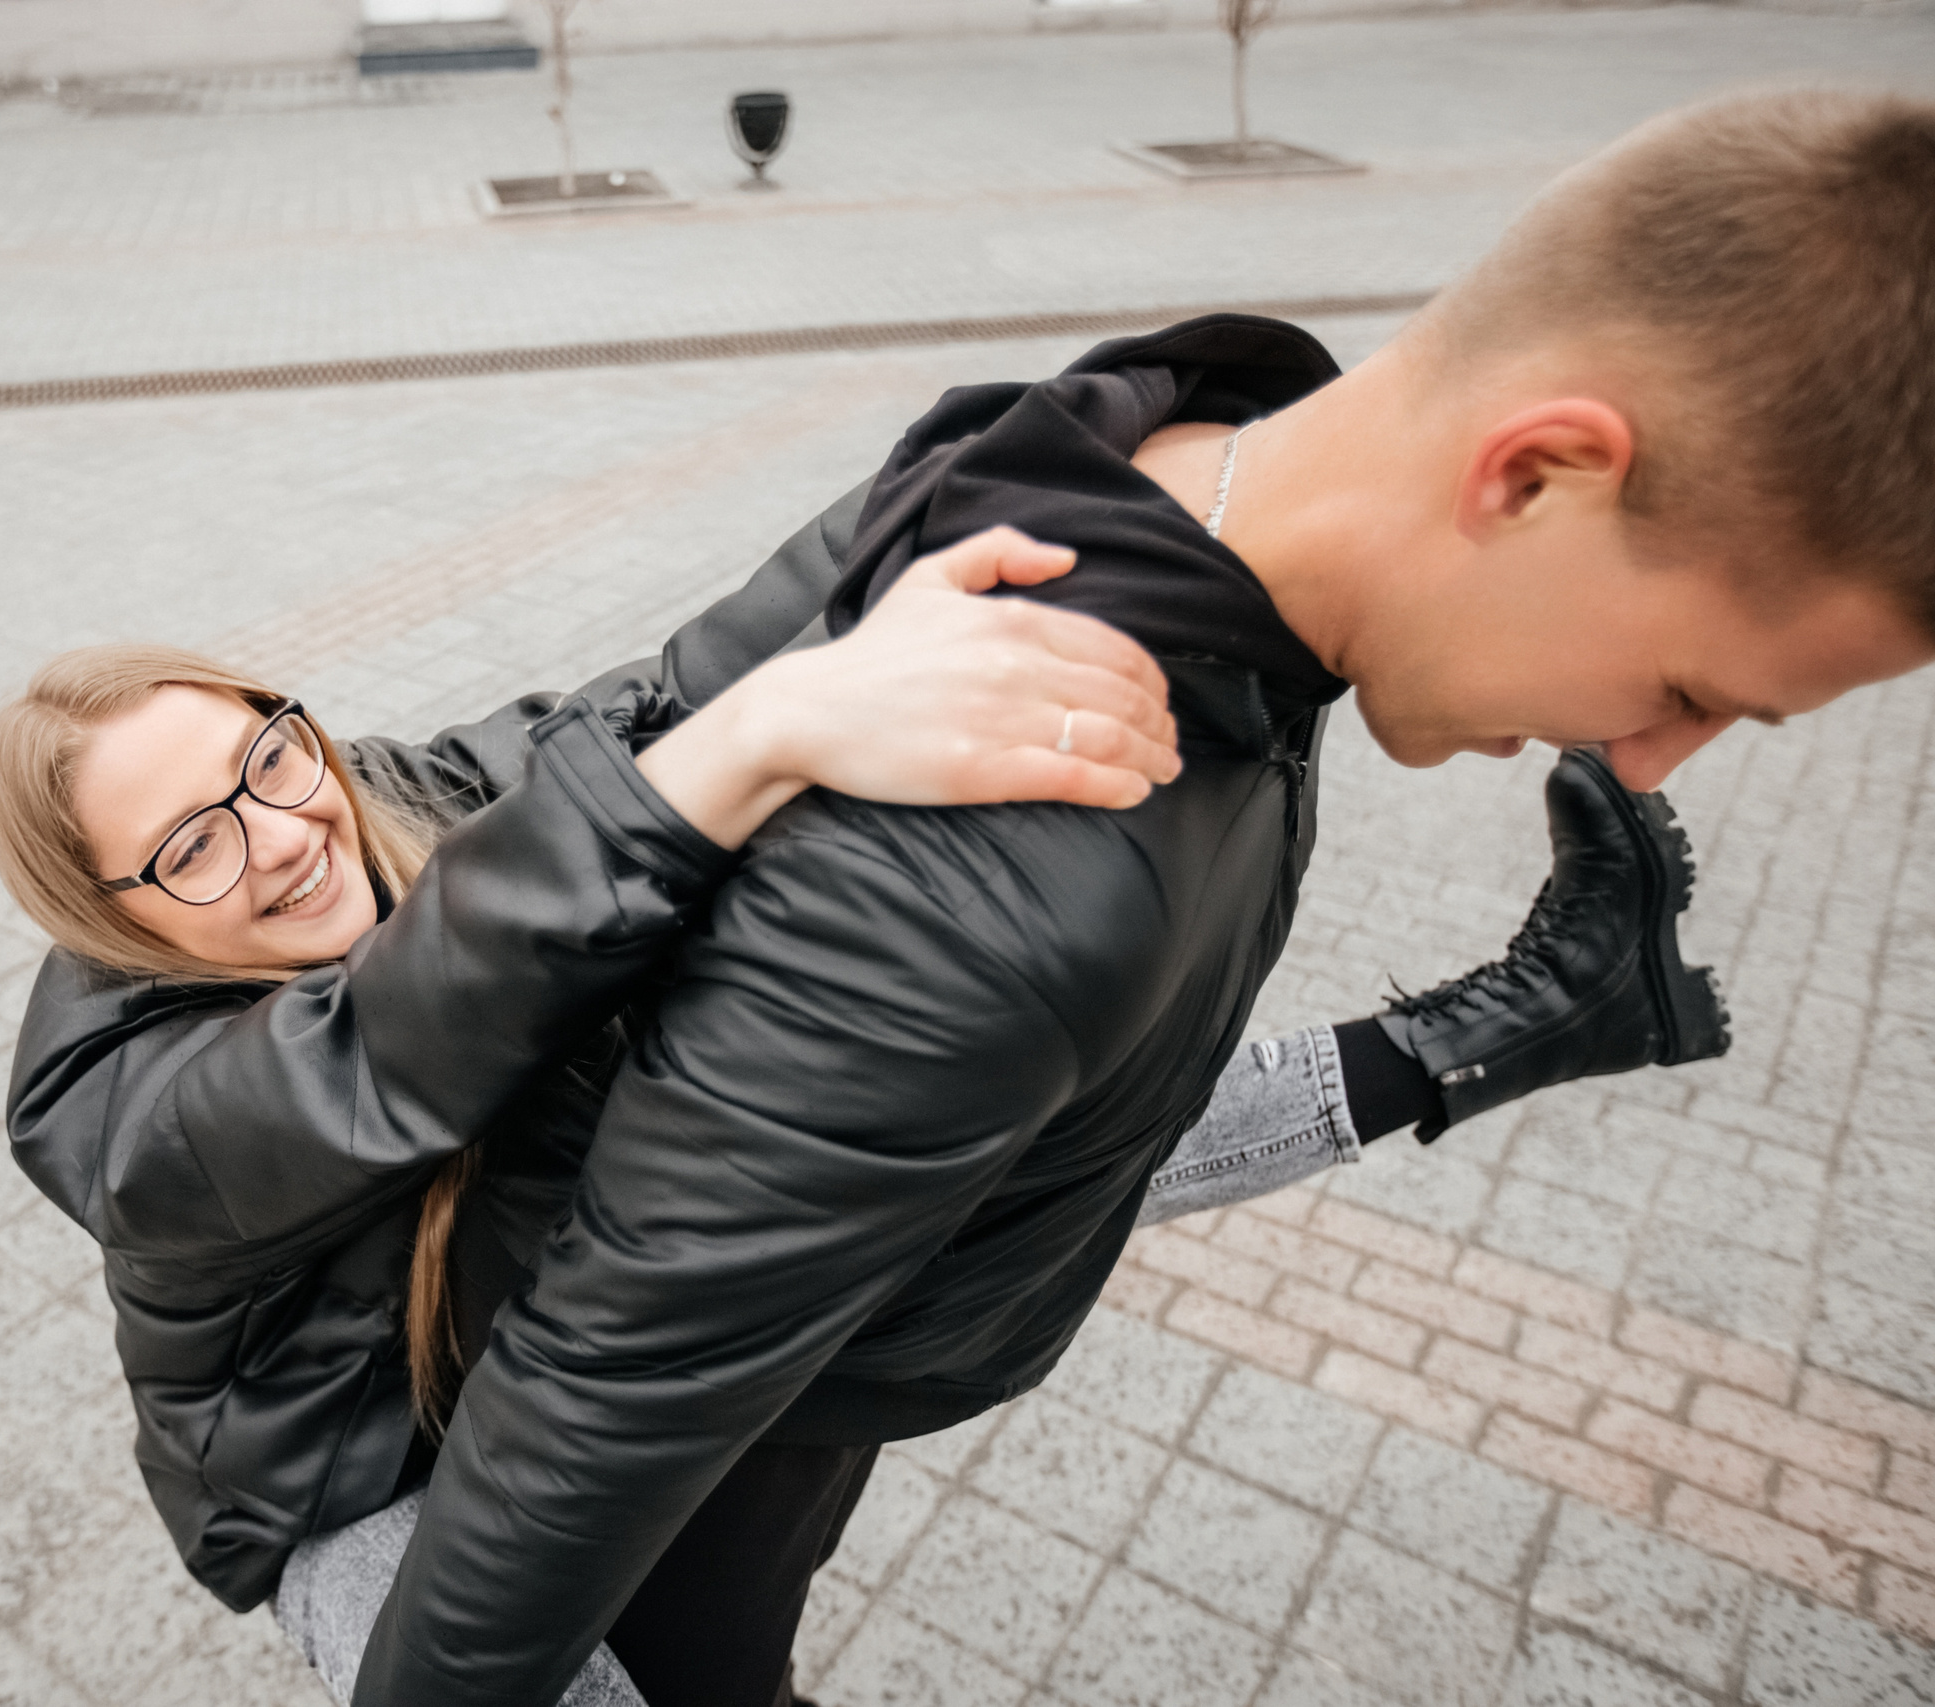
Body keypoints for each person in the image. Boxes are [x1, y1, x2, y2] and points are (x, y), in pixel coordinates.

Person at [347, 88, 1934, 1707]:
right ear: (1533, 476)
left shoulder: (1158, 467)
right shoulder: (1001, 878)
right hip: (747, 1407)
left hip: (838, 1312)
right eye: (1688, 682)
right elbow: (592, 1415)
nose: (1653, 758)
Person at [0, 539, 1725, 1702]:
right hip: (379, 1479)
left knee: (934, 1113)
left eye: (262, 761)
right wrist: (744, 756)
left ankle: (1511, 1024)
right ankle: (1542, 1020)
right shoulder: (125, 1107)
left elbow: (660, 694)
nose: (276, 836)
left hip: (590, 1337)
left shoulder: (381, 800)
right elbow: (378, 1056)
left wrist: (1057, 528)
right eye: (191, 850)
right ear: (116, 918)